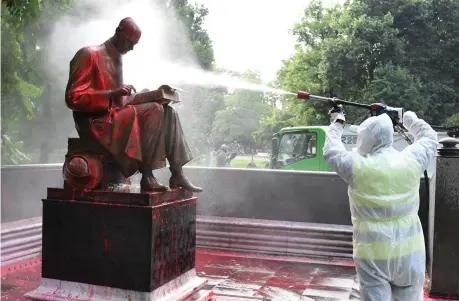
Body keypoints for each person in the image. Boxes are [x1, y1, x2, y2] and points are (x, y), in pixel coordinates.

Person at [65, 17, 202, 192]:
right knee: (154, 110)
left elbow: (122, 102)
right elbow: (73, 97)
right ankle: (147, 176)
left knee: (168, 111)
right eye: (130, 42)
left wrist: (154, 94)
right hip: (96, 123)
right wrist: (111, 94)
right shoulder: (89, 54)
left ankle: (177, 174)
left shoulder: (117, 61)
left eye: (135, 44)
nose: (132, 48)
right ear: (119, 31)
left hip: (114, 116)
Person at [323, 106, 438, 301]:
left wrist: (338, 122)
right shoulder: (411, 160)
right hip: (410, 256)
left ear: (365, 139)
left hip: (373, 258)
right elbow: (430, 137)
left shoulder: (356, 166)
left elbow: (331, 150)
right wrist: (408, 118)